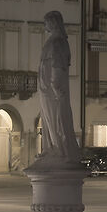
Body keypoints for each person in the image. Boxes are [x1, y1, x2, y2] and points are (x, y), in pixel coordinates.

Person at [37, 11, 78, 162]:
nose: (45, 25)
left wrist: (55, 84)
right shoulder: (53, 41)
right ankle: (51, 147)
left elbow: (58, 65)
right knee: (48, 117)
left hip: (52, 88)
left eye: (46, 22)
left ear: (53, 23)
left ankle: (60, 148)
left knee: (55, 117)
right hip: (45, 87)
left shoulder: (58, 42)